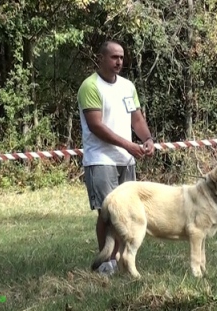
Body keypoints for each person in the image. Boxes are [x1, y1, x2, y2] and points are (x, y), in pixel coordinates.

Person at [77, 40, 155, 275]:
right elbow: (96, 126)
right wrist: (128, 145)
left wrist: (147, 140)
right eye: (113, 57)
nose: (119, 61)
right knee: (106, 213)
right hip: (100, 160)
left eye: (121, 57)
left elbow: (137, 119)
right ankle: (106, 262)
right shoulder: (90, 86)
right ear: (101, 59)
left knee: (126, 214)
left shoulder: (128, 86)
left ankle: (121, 259)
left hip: (126, 160)